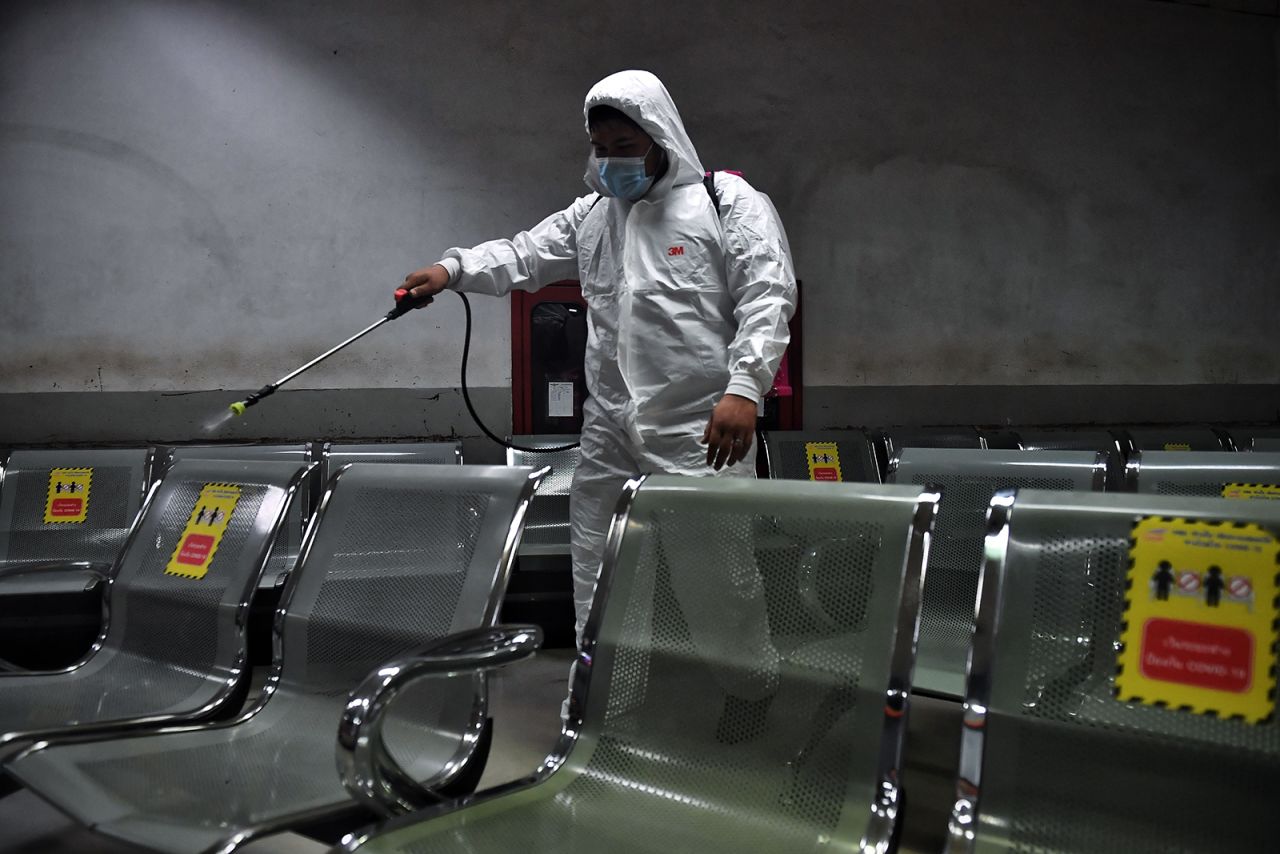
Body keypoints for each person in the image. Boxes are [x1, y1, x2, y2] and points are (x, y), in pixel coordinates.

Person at [401, 71, 796, 697]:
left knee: (717, 573)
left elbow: (769, 297)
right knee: (600, 568)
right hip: (609, 427)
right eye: (601, 147)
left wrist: (745, 389)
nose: (611, 160)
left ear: (660, 137)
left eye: (624, 145)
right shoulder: (592, 216)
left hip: (701, 427)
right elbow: (522, 255)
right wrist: (451, 270)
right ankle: (605, 697)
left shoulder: (727, 204)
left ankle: (751, 694)